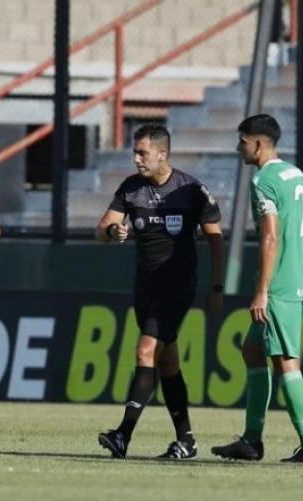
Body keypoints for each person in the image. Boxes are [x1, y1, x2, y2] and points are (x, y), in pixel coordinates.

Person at [97, 124, 225, 460]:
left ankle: (123, 434)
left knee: (145, 352)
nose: (137, 159)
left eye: (142, 153)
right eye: (135, 152)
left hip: (178, 285)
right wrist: (114, 230)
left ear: (162, 154)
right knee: (167, 363)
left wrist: (217, 286)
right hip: (146, 287)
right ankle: (187, 440)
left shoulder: (191, 190)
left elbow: (215, 239)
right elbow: (101, 231)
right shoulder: (131, 188)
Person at [211, 114, 303, 463]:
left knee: (287, 362)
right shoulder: (298, 175)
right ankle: (251, 440)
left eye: (241, 141)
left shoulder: (265, 181)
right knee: (253, 351)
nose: (237, 147)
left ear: (258, 143)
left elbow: (271, 235)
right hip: (299, 277)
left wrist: (263, 290)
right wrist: (302, 267)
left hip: (280, 285)